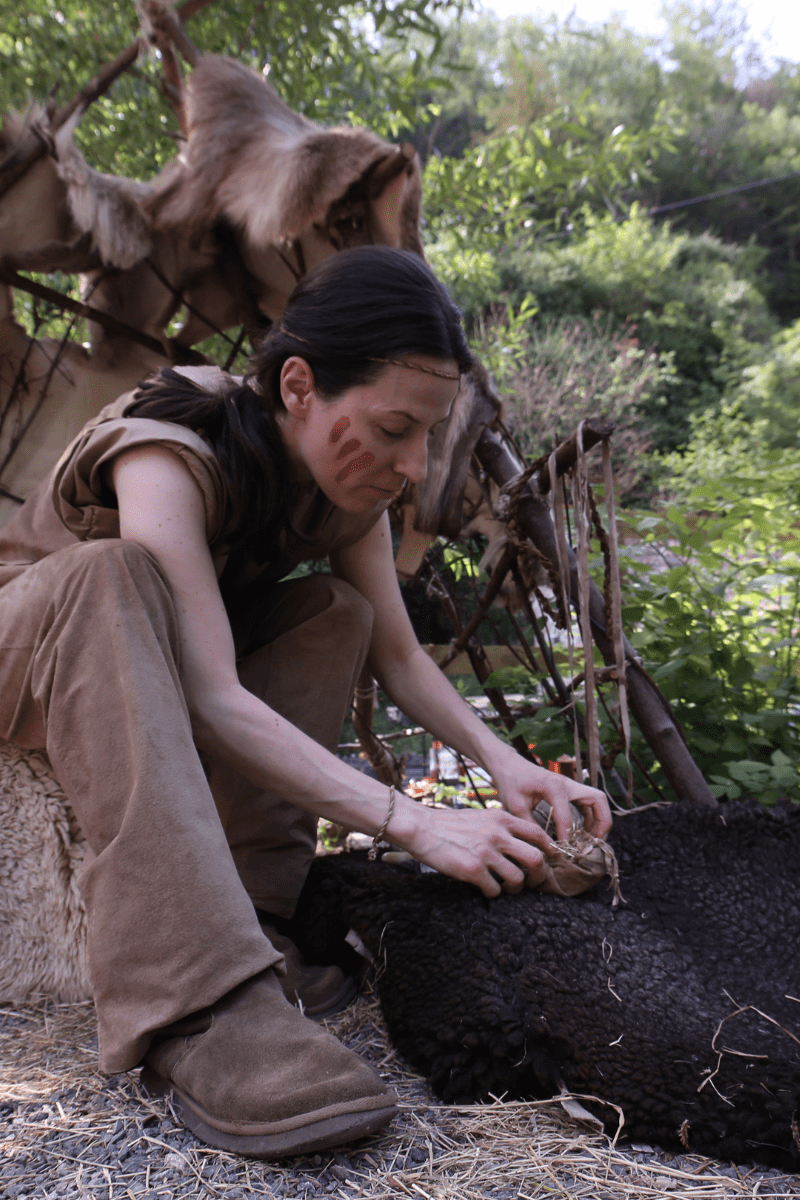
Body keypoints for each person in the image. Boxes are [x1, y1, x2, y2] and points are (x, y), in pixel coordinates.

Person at [0, 246, 611, 1158]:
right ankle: (198, 1001)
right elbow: (208, 693)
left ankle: (254, 916)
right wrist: (415, 822)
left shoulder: (343, 490)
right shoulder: (175, 437)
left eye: (427, 436)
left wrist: (508, 767)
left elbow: (399, 657)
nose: (412, 466)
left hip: (137, 662)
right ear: (298, 385)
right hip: (31, 647)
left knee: (338, 610)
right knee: (110, 574)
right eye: (395, 428)